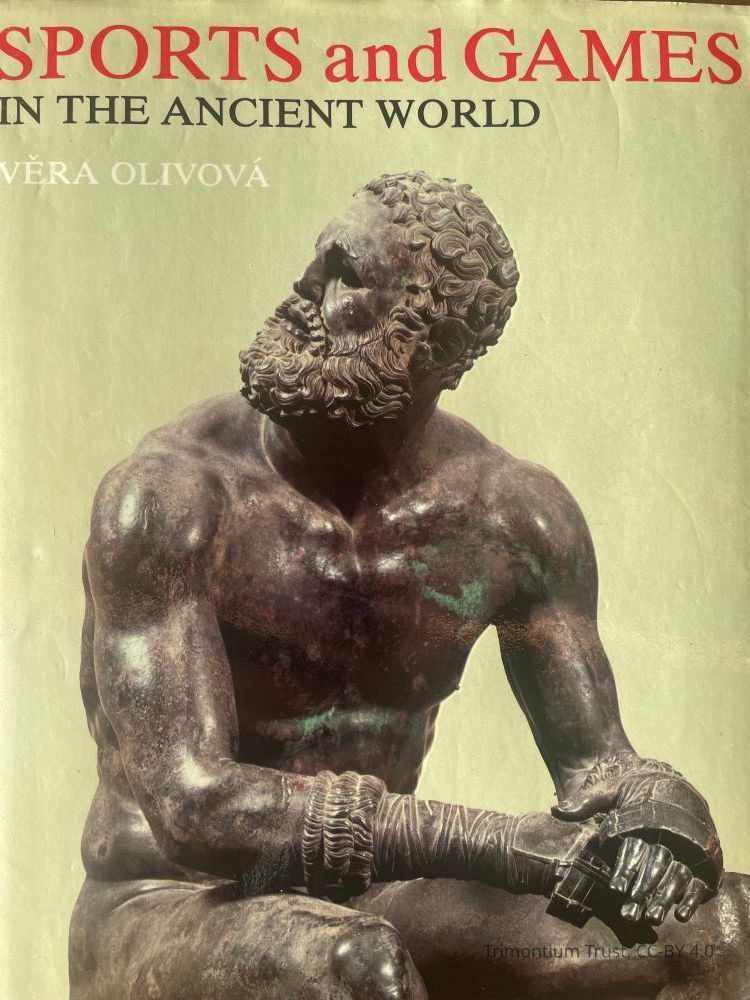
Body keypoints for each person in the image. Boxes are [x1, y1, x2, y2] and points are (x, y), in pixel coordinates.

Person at [69, 172, 747, 999]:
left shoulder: (512, 515)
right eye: (319, 256)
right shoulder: (171, 498)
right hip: (164, 907)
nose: (304, 286)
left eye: (346, 273)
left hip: (371, 898)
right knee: (356, 967)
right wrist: (502, 846)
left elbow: (602, 770)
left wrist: (662, 821)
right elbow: (194, 806)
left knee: (720, 928)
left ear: (433, 349)